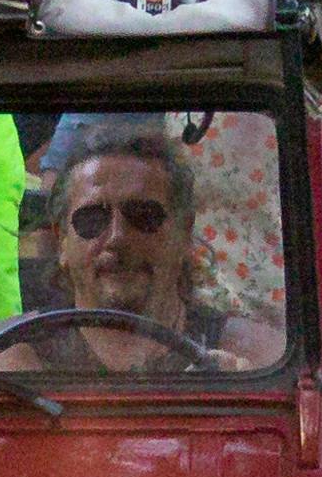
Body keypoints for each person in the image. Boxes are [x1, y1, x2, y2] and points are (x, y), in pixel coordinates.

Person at [20, 116, 217, 376]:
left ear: (183, 232)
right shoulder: (17, 354)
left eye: (144, 216)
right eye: (92, 219)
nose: (117, 237)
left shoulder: (253, 355)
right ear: (62, 241)